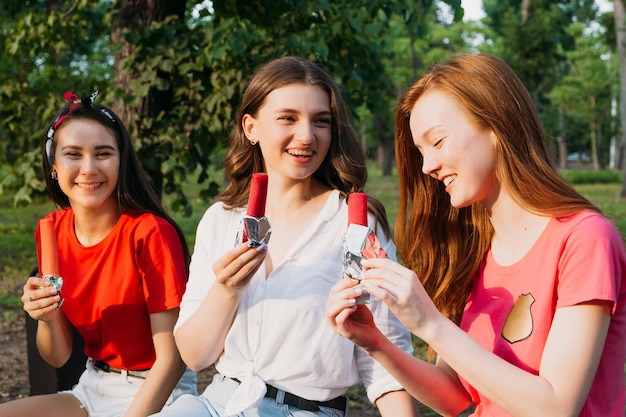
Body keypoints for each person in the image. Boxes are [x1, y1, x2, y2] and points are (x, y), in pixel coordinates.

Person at [325, 52, 626, 417]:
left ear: (495, 126)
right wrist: (375, 343)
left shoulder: (584, 240)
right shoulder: (480, 252)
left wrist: (430, 324)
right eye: (420, 151)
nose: (427, 166)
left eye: (437, 142)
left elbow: (556, 407)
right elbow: (457, 396)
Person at [151, 56, 419, 417]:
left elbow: (386, 360)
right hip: (218, 404)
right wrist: (226, 290)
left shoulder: (356, 226)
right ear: (251, 127)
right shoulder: (221, 219)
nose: (307, 136)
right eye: (287, 118)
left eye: (321, 121)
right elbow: (196, 357)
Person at [0, 91, 197, 417]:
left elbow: (172, 360)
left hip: (161, 393)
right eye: (73, 154)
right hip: (95, 385)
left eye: (103, 153)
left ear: (121, 161)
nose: (88, 168)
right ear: (53, 166)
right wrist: (47, 318)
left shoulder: (149, 232)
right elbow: (59, 356)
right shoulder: (50, 230)